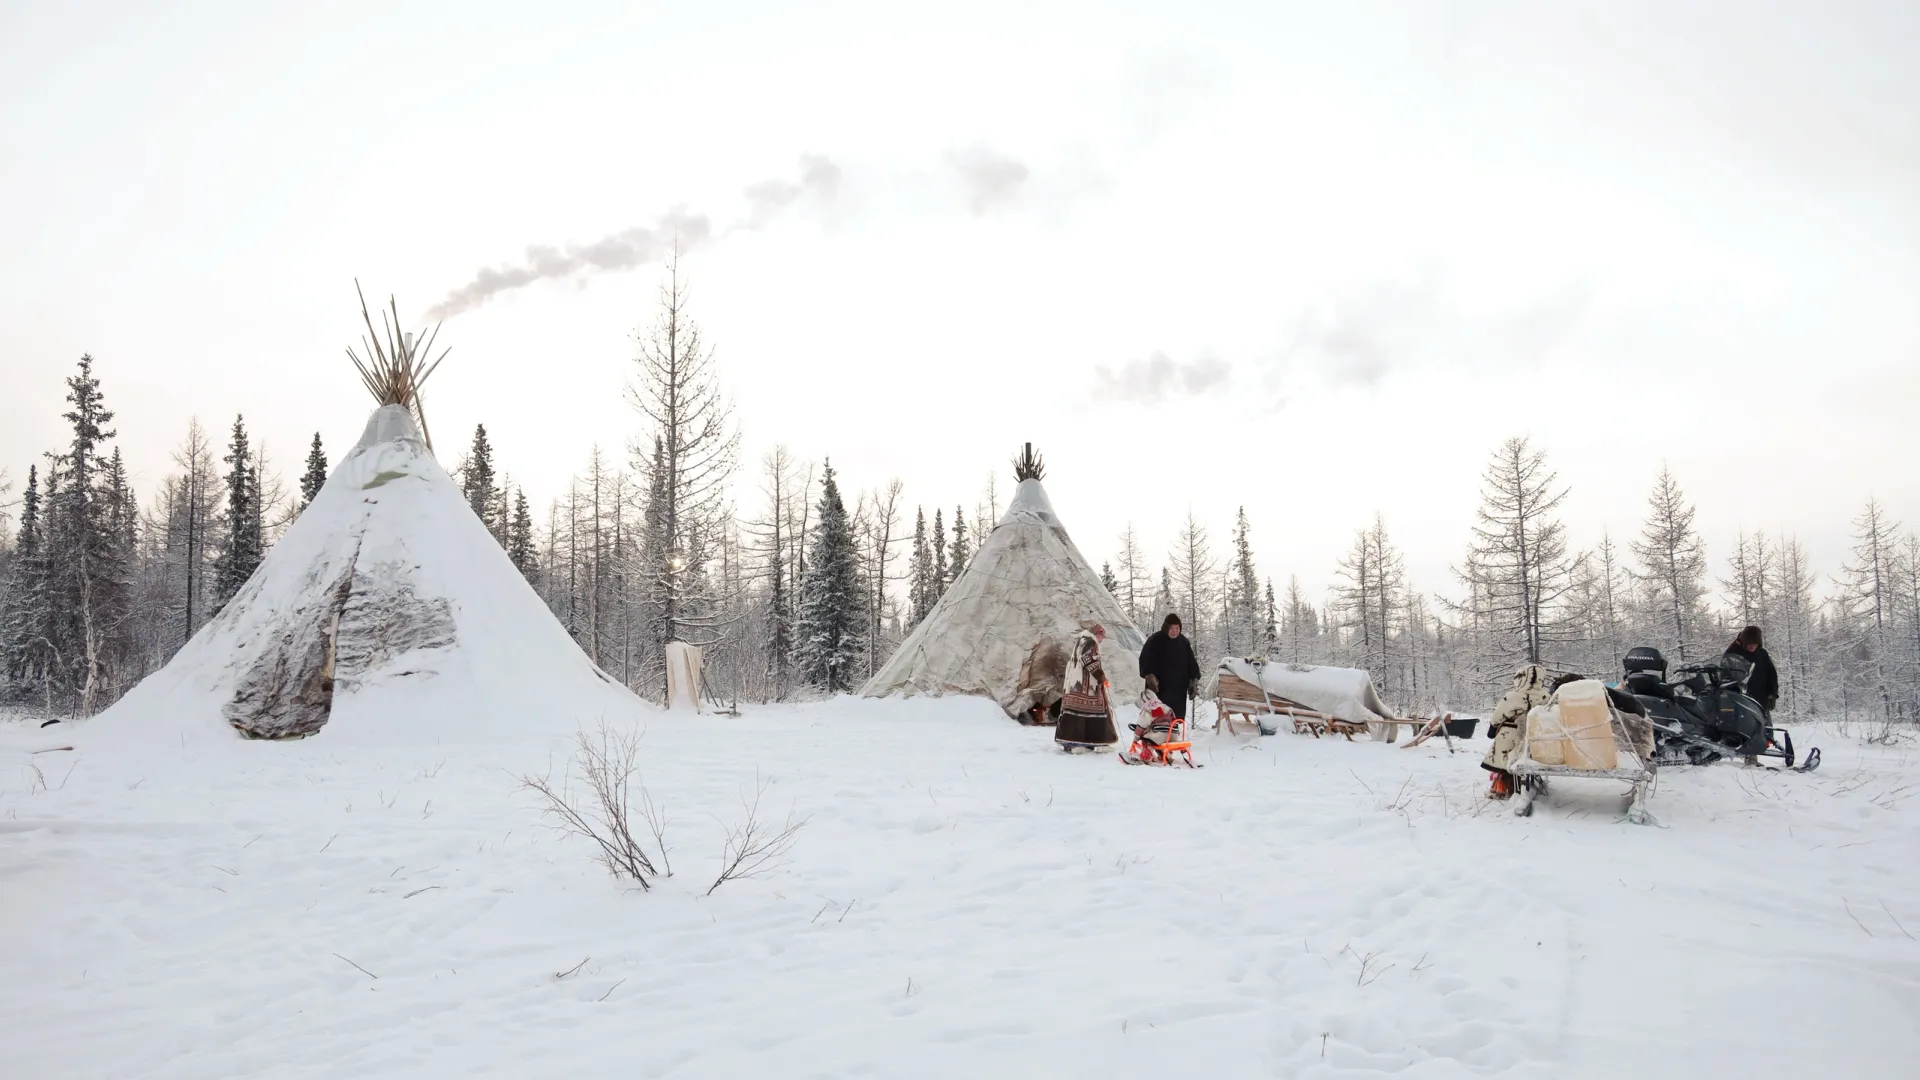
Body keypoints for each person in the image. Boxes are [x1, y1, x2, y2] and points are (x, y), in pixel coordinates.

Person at [1481, 664, 1555, 800]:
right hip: (1536, 736)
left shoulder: (1513, 696)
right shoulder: (1546, 696)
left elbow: (1499, 714)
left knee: (1507, 762)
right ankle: (1529, 784)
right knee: (1529, 759)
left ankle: (1505, 789)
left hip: (1510, 734)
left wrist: (1492, 729)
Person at [1055, 624, 1119, 752]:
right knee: (1096, 710)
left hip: (1074, 685)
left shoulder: (1081, 641)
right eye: (1102, 636)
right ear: (1098, 634)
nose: (1102, 640)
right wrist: (1100, 676)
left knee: (1075, 712)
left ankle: (1072, 742)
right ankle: (1097, 742)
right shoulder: (1091, 642)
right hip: (1087, 686)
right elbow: (1087, 659)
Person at [1138, 613, 1202, 721]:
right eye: (1172, 628)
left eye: (1177, 628)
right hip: (1160, 690)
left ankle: (1175, 737)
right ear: (1166, 627)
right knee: (1159, 721)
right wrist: (1149, 677)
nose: (1175, 631)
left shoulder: (1183, 642)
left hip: (1178, 692)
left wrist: (1194, 680)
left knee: (1176, 721)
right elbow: (1144, 660)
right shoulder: (1155, 640)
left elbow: (1192, 663)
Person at [1727, 625, 1780, 716]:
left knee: (1765, 728)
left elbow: (1771, 674)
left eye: (1755, 645)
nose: (1752, 647)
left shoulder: (1762, 653)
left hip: (1761, 701)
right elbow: (1726, 677)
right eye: (1750, 645)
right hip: (1742, 702)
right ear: (1744, 642)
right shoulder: (1733, 653)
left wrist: (1772, 694)